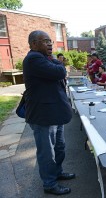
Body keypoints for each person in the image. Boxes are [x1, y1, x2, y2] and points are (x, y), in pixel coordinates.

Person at [23, 30, 74, 196]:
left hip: (54, 113)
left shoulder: (45, 59)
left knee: (59, 147)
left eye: (50, 41)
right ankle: (49, 184)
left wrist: (55, 62)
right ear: (33, 44)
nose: (50, 44)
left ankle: (57, 173)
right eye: (45, 41)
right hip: (43, 116)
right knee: (47, 153)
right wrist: (59, 64)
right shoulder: (34, 59)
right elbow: (60, 72)